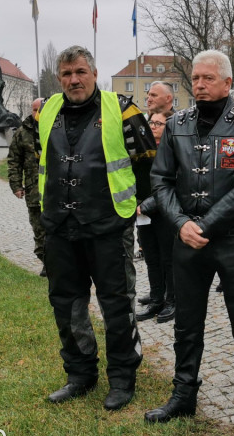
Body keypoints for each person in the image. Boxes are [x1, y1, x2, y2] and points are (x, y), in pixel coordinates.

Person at [146, 50, 234, 436]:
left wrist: (204, 223)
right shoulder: (177, 124)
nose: (200, 84)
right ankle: (183, 393)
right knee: (187, 323)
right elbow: (161, 180)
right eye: (195, 78)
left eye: (207, 78)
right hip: (187, 241)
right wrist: (181, 223)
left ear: (227, 82)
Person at [37, 45, 156, 411]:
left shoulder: (122, 109)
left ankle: (122, 378)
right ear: (60, 78)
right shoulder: (47, 111)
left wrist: (142, 203)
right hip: (59, 225)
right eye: (67, 74)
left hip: (107, 225)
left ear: (93, 72)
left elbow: (149, 161)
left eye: (80, 72)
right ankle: (80, 374)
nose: (74, 80)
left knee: (116, 306)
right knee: (67, 304)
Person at [135, 110, 176, 324]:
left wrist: (148, 204)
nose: (153, 126)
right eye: (151, 122)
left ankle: (172, 300)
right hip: (143, 213)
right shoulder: (144, 150)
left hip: (164, 212)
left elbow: (173, 183)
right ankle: (156, 297)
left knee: (168, 258)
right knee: (151, 257)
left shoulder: (172, 149)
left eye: (158, 123)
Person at [7, 98, 45, 276]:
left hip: (56, 193)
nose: (37, 114)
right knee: (39, 231)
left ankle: (59, 265)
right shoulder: (22, 133)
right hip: (34, 192)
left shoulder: (55, 129)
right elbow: (14, 161)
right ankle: (45, 260)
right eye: (34, 110)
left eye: (41, 110)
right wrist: (16, 185)